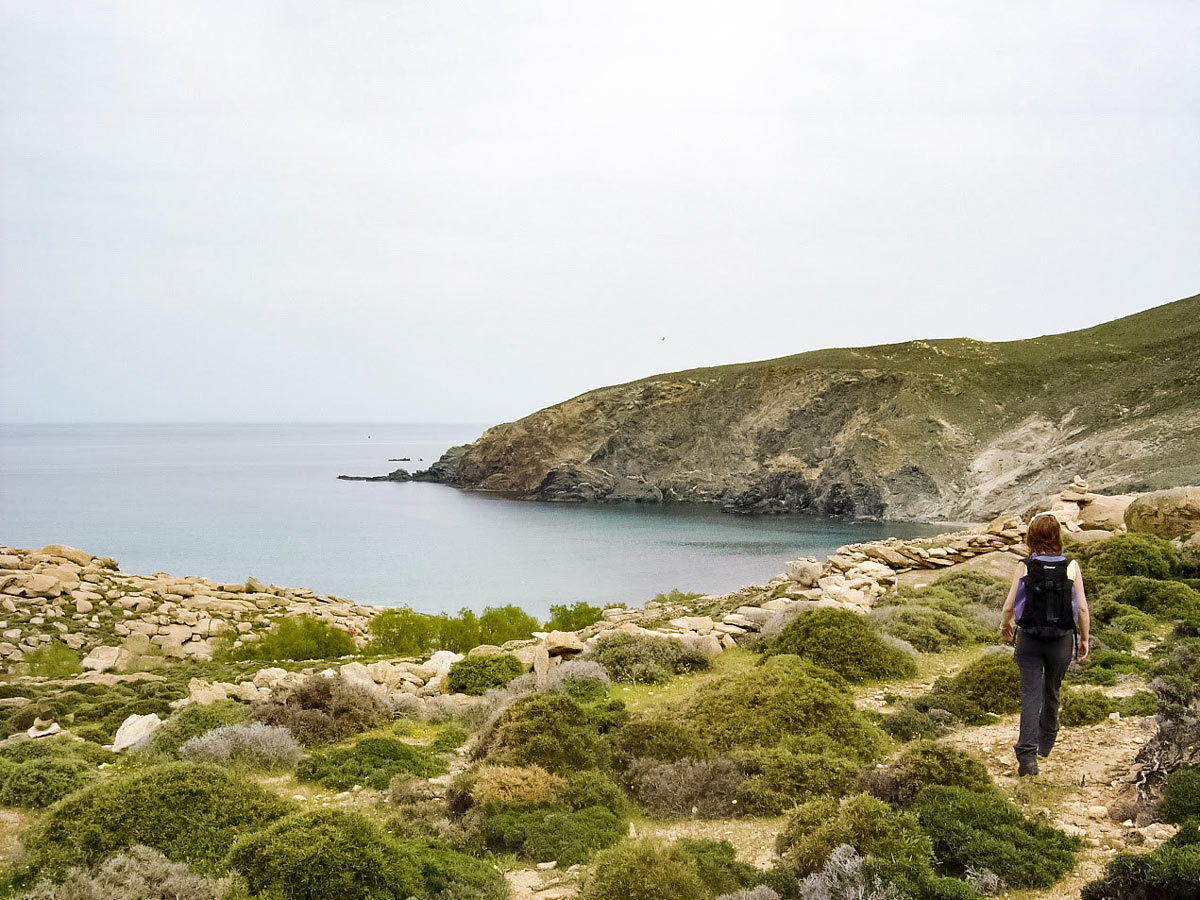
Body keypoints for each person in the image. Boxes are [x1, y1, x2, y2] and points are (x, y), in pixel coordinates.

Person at [1000, 512, 1090, 776]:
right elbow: (1082, 608)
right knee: (1052, 689)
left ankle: (1027, 758)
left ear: (1032, 537)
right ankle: (1046, 743)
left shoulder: (1025, 564)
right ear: (1057, 537)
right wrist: (1084, 639)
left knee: (1030, 695)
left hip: (1028, 639)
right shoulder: (1072, 565)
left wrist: (1005, 626)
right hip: (1061, 639)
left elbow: (1009, 605)